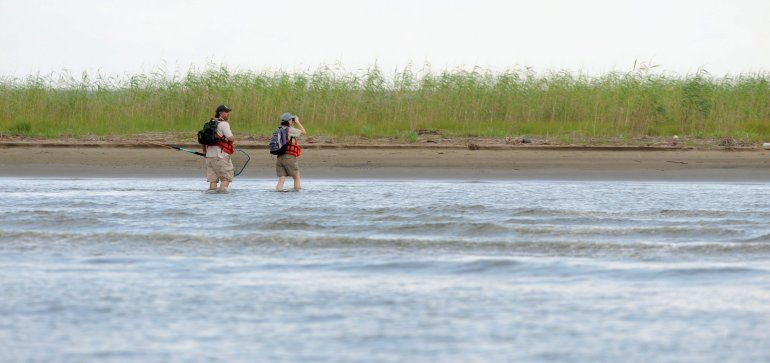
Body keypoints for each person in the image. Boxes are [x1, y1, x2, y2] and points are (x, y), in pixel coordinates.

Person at [204, 104, 235, 193]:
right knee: (226, 178)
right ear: (220, 113)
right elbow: (231, 138)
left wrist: (205, 153)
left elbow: (202, 140)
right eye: (226, 112)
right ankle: (222, 199)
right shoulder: (224, 124)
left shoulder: (208, 123)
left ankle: (212, 200)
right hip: (220, 155)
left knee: (213, 180)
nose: (228, 114)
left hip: (209, 156)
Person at [275, 112, 306, 192]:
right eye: (292, 120)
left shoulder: (279, 130)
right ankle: (296, 191)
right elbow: (303, 132)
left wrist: (292, 122)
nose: (293, 121)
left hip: (279, 158)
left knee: (282, 178)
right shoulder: (290, 130)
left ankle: (279, 191)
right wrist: (298, 122)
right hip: (289, 157)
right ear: (289, 121)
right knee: (296, 176)